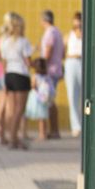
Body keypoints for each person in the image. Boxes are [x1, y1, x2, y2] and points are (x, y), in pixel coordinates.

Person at [0, 12, 33, 150]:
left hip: (9, 75)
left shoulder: (5, 42)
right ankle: (13, 138)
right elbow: (28, 62)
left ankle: (13, 137)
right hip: (21, 75)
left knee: (12, 110)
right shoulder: (24, 42)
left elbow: (4, 61)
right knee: (20, 109)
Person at [40, 10, 65, 139]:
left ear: (44, 20)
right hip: (56, 69)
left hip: (50, 71)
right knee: (50, 100)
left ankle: (54, 130)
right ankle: (53, 130)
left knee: (49, 100)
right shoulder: (58, 32)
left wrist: (41, 66)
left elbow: (48, 52)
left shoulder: (50, 33)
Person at [65, 11, 83, 137]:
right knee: (72, 95)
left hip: (82, 62)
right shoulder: (68, 35)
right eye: (76, 20)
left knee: (85, 95)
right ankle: (76, 126)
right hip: (71, 63)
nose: (77, 23)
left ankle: (85, 122)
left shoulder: (86, 34)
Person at [26, 57, 53, 140]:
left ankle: (41, 135)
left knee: (40, 118)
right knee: (43, 118)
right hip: (45, 98)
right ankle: (44, 133)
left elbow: (33, 86)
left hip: (37, 99)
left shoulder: (35, 76)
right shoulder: (47, 76)